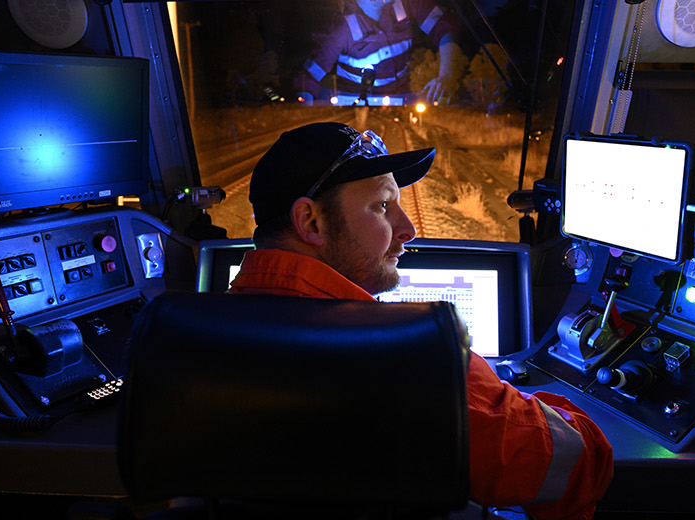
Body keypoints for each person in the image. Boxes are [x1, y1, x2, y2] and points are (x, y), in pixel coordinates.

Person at [228, 121, 614, 520]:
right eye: (382, 206)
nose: (408, 229)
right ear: (311, 221)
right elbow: (575, 464)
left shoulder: (181, 338)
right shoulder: (415, 355)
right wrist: (501, 392)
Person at [296, 0, 458, 107]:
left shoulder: (405, 4)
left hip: (403, 101)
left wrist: (446, 76)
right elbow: (307, 79)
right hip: (354, 108)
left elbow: (445, 28)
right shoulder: (340, 29)